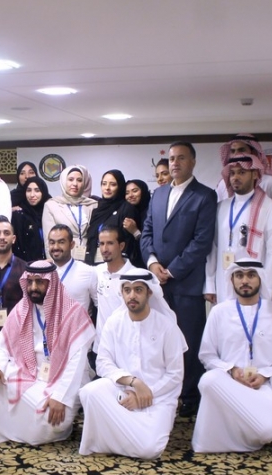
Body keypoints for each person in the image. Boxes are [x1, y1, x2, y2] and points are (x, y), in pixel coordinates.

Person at [141, 141, 217, 418]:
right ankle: (164, 392)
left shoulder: (205, 196)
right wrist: (152, 263)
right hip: (157, 284)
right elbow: (147, 231)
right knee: (158, 341)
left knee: (189, 341)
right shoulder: (159, 194)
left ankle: (189, 396)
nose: (175, 163)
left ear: (193, 162)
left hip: (186, 283)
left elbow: (201, 241)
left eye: (181, 158)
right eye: (172, 158)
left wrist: (171, 270)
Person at [0, 261, 95, 445]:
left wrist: (60, 397)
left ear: (51, 283)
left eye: (39, 282)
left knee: (54, 421)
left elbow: (76, 364)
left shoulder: (73, 313)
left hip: (65, 379)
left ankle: (23, 426)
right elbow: (2, 346)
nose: (33, 287)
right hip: (31, 373)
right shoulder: (22, 309)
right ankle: (12, 429)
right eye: (30, 282)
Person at [78, 270, 185, 459]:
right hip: (122, 392)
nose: (132, 295)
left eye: (138, 290)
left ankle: (110, 439)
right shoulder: (114, 322)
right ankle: (125, 438)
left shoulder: (167, 327)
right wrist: (133, 382)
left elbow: (175, 374)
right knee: (89, 392)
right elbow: (103, 362)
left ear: (149, 292)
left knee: (150, 450)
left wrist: (144, 394)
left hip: (158, 398)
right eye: (127, 290)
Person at [193, 260, 272, 453]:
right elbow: (207, 355)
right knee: (208, 380)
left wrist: (264, 375)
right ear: (232, 280)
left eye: (251, 275)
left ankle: (242, 428)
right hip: (228, 384)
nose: (245, 281)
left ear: (260, 279)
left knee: (268, 431)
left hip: (262, 386)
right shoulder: (219, 312)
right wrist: (231, 370)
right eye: (239, 276)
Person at [205, 155, 272, 304]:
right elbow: (213, 247)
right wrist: (210, 284)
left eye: (241, 172)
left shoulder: (269, 208)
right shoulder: (221, 207)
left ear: (254, 174)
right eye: (232, 173)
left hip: (254, 286)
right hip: (224, 280)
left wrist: (265, 289)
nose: (235, 177)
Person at [215, 133, 272, 217]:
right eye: (233, 151)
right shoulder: (223, 184)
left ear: (254, 153)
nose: (236, 155)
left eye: (241, 150)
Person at [41, 164, 97, 261]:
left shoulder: (92, 205)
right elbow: (48, 240)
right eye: (70, 179)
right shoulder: (51, 205)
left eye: (79, 180)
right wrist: (54, 263)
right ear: (64, 181)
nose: (75, 184)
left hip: (89, 257)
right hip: (63, 259)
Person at [84, 170, 140, 265]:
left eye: (113, 184)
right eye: (104, 184)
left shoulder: (127, 208)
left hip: (116, 265)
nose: (107, 188)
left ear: (120, 187)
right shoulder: (97, 208)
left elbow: (128, 243)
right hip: (93, 263)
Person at [93, 226, 133, 345]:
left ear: (121, 246)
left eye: (110, 243)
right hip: (101, 346)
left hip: (126, 345)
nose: (104, 249)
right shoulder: (96, 271)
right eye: (101, 244)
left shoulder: (134, 276)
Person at [47, 225, 97, 313]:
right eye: (52, 242)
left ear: (72, 244)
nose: (56, 247)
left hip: (79, 321)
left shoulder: (88, 271)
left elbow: (100, 305)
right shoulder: (43, 272)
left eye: (61, 242)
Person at [11, 176, 51, 262]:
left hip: (50, 263)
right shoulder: (19, 215)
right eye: (28, 190)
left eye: (37, 190)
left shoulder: (50, 213)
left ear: (43, 192)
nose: (32, 195)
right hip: (26, 266)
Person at [124, 179, 151, 267]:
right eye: (127, 193)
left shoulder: (151, 213)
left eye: (135, 191)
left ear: (143, 191)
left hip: (149, 262)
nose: (130, 195)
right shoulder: (126, 213)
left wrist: (135, 232)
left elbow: (153, 243)